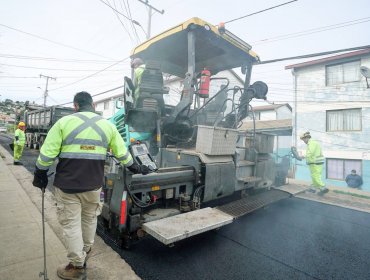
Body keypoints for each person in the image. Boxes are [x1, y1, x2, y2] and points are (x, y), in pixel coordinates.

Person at [32, 91, 150, 280]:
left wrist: (40, 174)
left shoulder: (63, 123)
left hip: (67, 187)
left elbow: (47, 155)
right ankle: (84, 254)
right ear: (93, 105)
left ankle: (77, 266)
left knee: (71, 225)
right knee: (88, 221)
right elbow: (123, 155)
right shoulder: (108, 126)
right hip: (94, 187)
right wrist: (137, 167)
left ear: (75, 106)